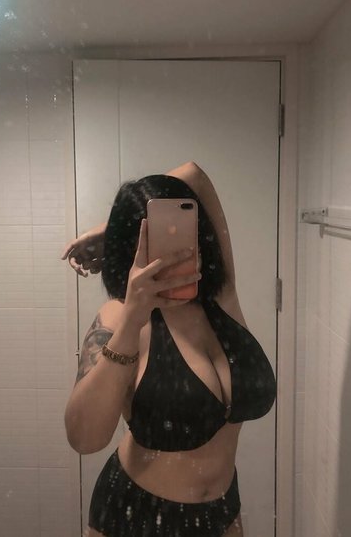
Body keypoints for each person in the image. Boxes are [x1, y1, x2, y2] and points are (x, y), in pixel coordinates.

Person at [63, 161, 276, 537]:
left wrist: (109, 228)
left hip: (222, 511)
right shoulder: (119, 318)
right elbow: (84, 438)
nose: (181, 250)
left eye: (187, 234)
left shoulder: (222, 298)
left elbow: (193, 174)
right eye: (159, 240)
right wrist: (132, 319)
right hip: (138, 516)